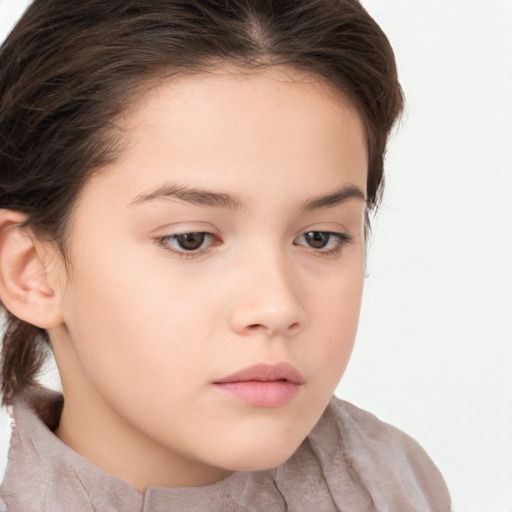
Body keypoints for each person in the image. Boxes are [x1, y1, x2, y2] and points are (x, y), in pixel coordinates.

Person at [0, 0, 451, 510]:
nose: (277, 307)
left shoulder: (398, 482)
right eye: (190, 239)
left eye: (320, 237)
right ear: (31, 271)